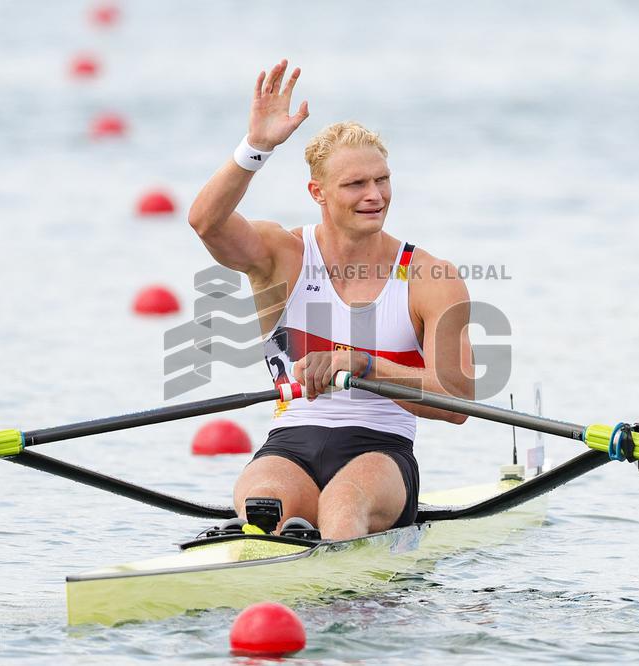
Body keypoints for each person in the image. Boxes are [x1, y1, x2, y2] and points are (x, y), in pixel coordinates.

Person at [188, 59, 474, 540]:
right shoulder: (283, 256)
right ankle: (279, 546)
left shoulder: (430, 276)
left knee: (343, 507)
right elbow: (206, 223)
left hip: (381, 451)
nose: (375, 195)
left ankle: (335, 570)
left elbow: (458, 401)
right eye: (356, 184)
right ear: (317, 192)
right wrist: (255, 147)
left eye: (381, 180)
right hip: (291, 442)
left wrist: (364, 364)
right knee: (263, 503)